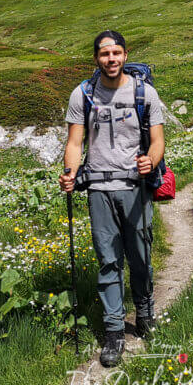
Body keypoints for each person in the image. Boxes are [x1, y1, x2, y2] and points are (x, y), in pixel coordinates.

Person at [59, 30, 165, 367]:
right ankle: (114, 331)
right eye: (105, 54)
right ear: (96, 59)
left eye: (117, 53)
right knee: (108, 260)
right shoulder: (84, 94)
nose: (111, 59)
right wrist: (70, 173)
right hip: (99, 189)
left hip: (135, 185)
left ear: (125, 54)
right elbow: (76, 143)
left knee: (141, 254)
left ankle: (146, 314)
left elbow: (158, 140)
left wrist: (151, 159)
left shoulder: (144, 92)